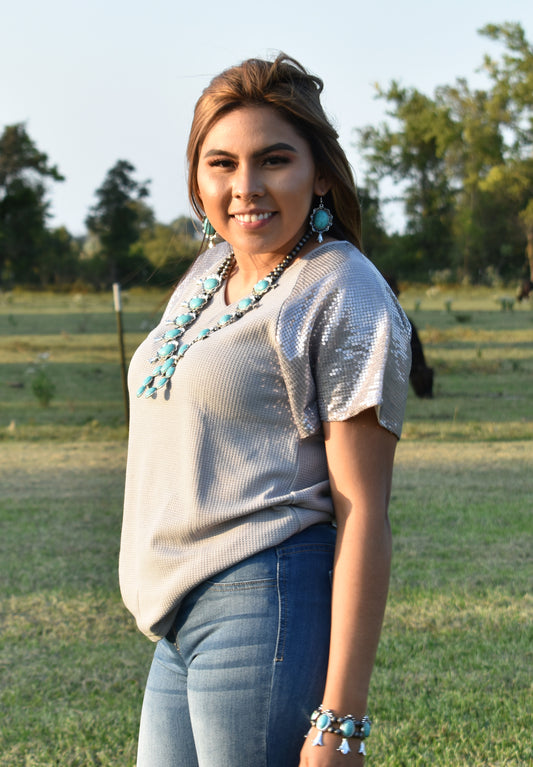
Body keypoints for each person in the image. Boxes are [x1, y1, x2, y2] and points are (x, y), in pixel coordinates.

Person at [119, 53, 411, 767]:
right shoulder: (207, 272)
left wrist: (340, 719)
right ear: (197, 177)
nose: (244, 187)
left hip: (264, 601)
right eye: (220, 163)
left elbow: (363, 511)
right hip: (178, 617)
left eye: (272, 160)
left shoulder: (342, 288)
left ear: (319, 173)